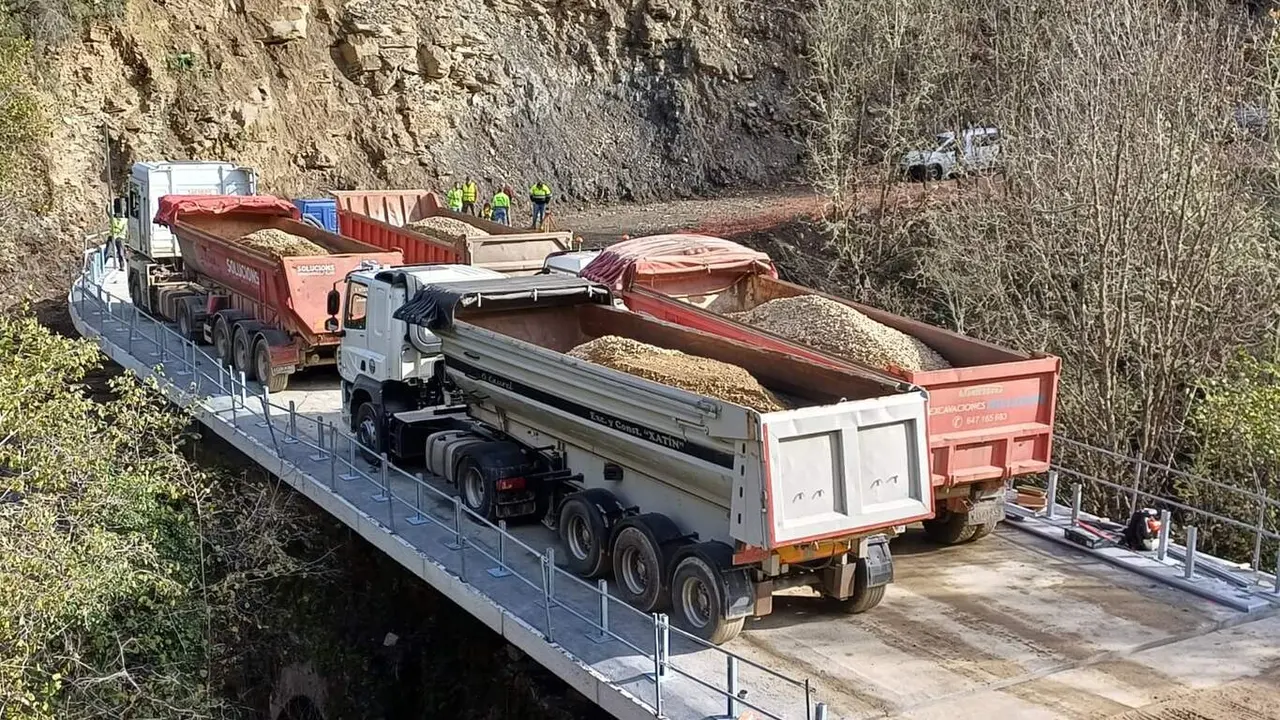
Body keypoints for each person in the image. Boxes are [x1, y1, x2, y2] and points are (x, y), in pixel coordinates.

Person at [107, 204, 126, 268]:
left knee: (121, 253)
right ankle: (102, 266)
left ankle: (122, 266)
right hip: (112, 236)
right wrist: (107, 207)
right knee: (107, 252)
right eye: (117, 213)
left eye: (119, 214)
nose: (118, 215)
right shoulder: (113, 219)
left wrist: (117, 235)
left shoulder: (124, 220)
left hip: (120, 238)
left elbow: (123, 230)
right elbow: (108, 213)